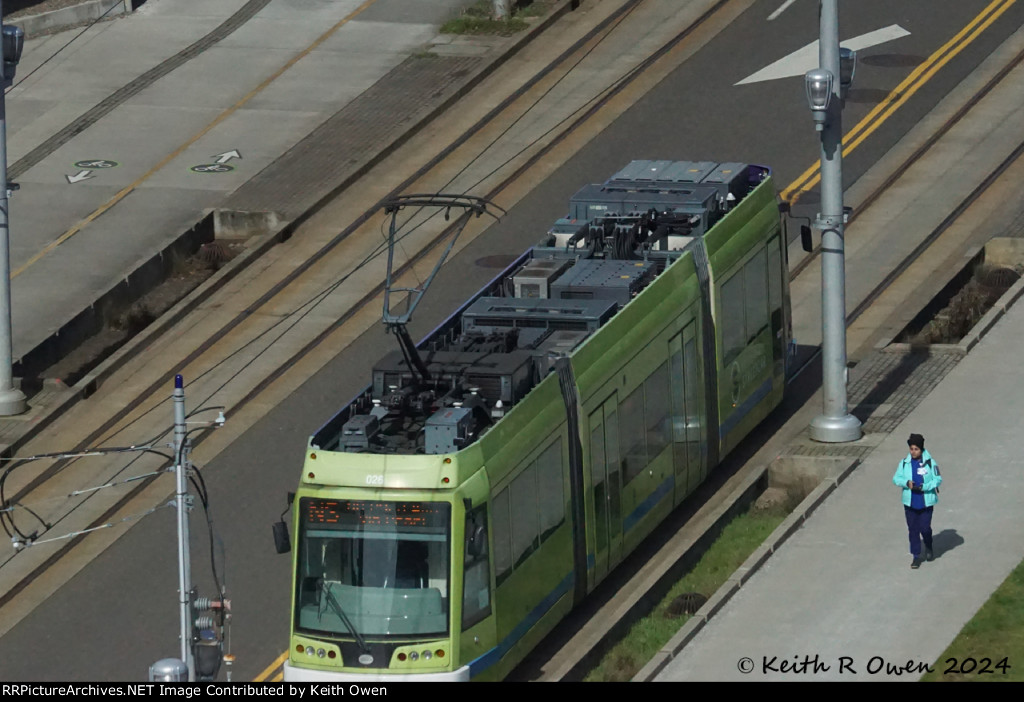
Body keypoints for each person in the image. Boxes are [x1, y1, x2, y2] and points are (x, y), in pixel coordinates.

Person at [892, 433, 942, 569]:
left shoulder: (930, 463)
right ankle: (915, 556)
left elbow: (938, 480)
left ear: (921, 449)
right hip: (910, 503)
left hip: (925, 502)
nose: (913, 452)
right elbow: (896, 478)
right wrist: (906, 482)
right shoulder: (904, 463)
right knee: (913, 530)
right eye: (911, 449)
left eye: (916, 449)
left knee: (925, 528)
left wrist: (924, 487)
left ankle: (929, 545)